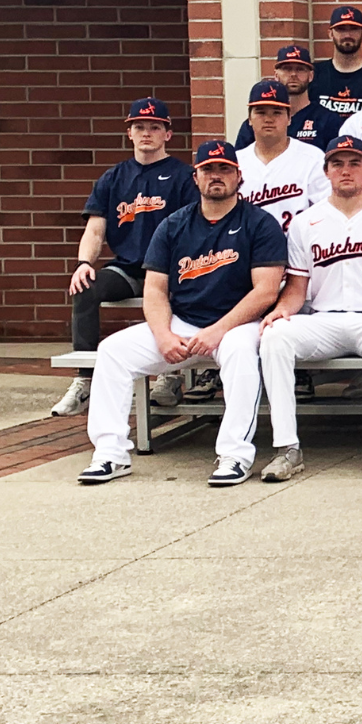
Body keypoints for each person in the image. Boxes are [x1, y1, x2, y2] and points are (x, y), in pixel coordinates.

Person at [78, 140, 286, 486]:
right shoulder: (174, 224)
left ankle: (234, 455)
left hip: (237, 323)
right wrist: (163, 335)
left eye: (224, 169)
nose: (216, 176)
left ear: (239, 176)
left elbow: (265, 291)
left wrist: (218, 331)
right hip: (183, 321)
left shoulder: (259, 223)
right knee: (113, 352)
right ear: (196, 177)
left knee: (239, 353)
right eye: (208, 169)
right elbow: (155, 289)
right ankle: (110, 454)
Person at [256, 135, 362, 481]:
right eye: (338, 164)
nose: (346, 170)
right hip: (324, 318)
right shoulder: (306, 221)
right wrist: (282, 309)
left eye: (354, 163)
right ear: (327, 171)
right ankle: (287, 447)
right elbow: (297, 288)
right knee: (275, 336)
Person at [54, 97, 198, 417]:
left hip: (170, 270)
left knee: (180, 293)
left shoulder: (183, 176)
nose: (146, 132)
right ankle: (85, 380)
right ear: (129, 133)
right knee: (86, 288)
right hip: (129, 268)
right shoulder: (113, 178)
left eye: (154, 127)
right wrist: (83, 265)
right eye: (139, 127)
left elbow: (195, 229)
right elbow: (95, 230)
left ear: (167, 134)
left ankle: (170, 377)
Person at [235, 79, 329, 233]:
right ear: (250, 119)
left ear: (289, 117)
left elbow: (326, 212)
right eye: (261, 112)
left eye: (277, 112)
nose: (268, 119)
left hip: (297, 251)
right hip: (247, 252)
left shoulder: (313, 159)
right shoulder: (235, 162)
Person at [234, 45, 343, 150]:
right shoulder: (256, 123)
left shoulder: (328, 120)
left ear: (311, 76)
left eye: (300, 69)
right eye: (287, 69)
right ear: (276, 75)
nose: (293, 74)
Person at [309, 5, 362, 118]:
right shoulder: (314, 74)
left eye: (354, 29)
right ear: (330, 34)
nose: (347, 35)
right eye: (341, 29)